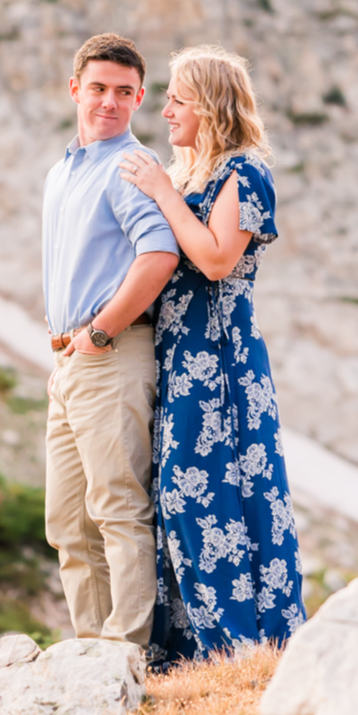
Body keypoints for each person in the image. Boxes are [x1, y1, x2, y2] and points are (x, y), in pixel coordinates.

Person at [119, 43, 305, 664]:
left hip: (221, 363)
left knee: (214, 494)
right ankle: (189, 652)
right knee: (176, 499)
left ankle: (243, 645)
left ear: (211, 106)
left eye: (178, 99)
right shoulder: (187, 176)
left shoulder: (244, 173)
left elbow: (218, 258)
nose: (166, 110)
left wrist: (161, 192)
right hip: (177, 358)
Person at [42, 32, 180, 651]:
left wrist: (98, 333)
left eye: (124, 92)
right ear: (75, 88)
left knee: (117, 508)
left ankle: (126, 655)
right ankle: (90, 655)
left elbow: (159, 256)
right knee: (68, 523)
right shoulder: (62, 171)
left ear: (140, 97)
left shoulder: (129, 168)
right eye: (98, 88)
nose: (109, 102)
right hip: (69, 360)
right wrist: (70, 347)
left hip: (112, 352)